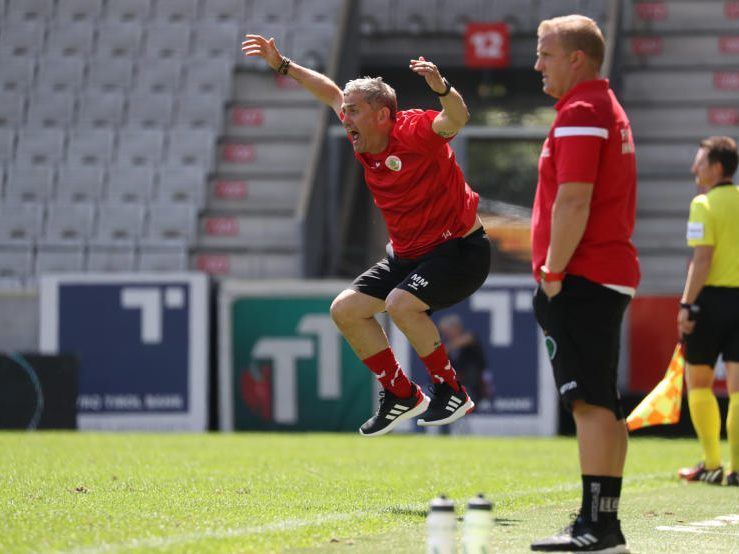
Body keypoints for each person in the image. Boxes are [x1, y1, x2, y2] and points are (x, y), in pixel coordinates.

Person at [241, 35, 491, 437]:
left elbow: (457, 119)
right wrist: (284, 64)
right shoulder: (364, 132)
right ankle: (401, 394)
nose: (345, 117)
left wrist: (442, 88)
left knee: (400, 304)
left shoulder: (415, 132)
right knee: (345, 309)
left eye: (354, 111)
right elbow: (330, 92)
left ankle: (452, 390)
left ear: (383, 115)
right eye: (346, 111)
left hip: (460, 249)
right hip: (410, 254)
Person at [529, 15, 639, 552]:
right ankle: (601, 519)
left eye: (546, 54)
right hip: (606, 273)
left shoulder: (582, 110)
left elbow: (574, 198)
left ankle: (599, 527)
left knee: (589, 404)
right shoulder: (601, 107)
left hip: (583, 275)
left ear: (576, 58)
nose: (537, 64)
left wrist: (552, 272)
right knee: (603, 403)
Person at [677, 136, 739, 487]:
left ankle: (713, 464)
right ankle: (737, 469)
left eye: (699, 163)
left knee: (698, 382)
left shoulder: (703, 204)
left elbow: (702, 261)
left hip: (711, 302)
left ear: (716, 167)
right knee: (738, 388)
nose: (693, 169)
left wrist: (687, 304)